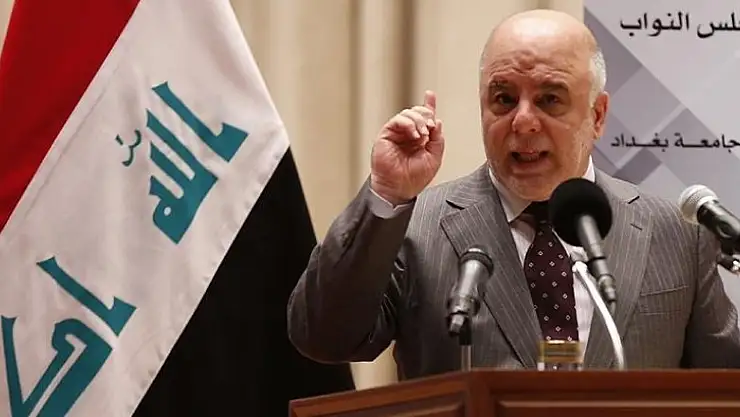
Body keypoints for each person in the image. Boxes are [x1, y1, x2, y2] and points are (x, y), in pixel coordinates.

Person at [286, 9, 740, 380]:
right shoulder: (416, 224)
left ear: (598, 116)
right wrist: (387, 193)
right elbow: (324, 337)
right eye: (503, 99)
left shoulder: (676, 235)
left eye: (549, 99)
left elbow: (727, 383)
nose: (522, 121)